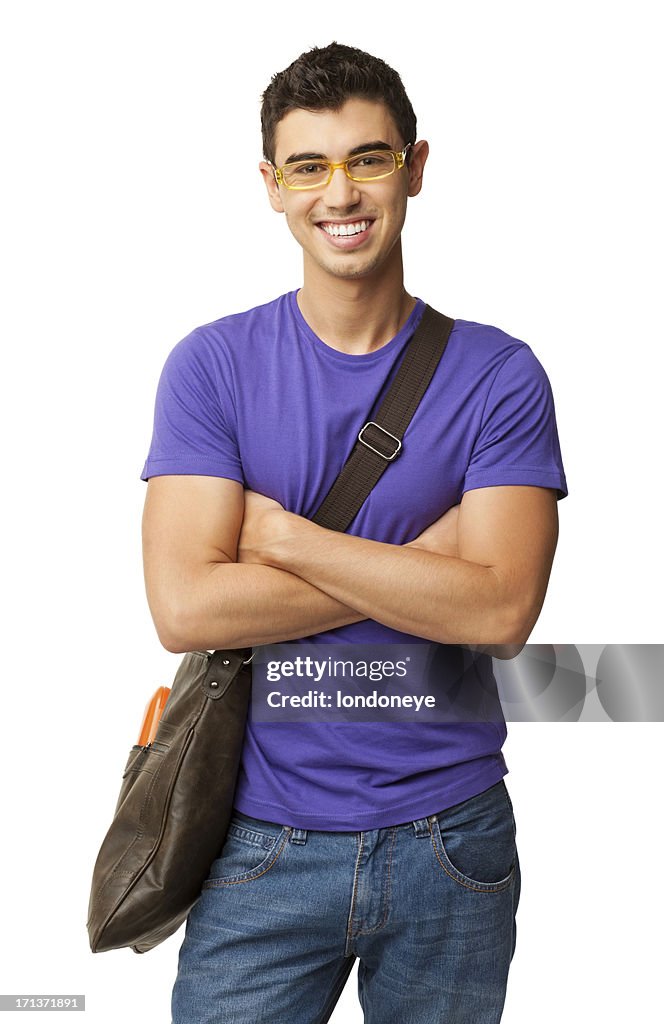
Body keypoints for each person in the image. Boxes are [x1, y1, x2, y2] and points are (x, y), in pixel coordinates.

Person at [140, 42, 567, 1024]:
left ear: (414, 168)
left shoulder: (498, 377)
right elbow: (185, 606)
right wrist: (427, 567)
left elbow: (501, 608)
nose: (341, 192)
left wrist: (282, 540)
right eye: (309, 166)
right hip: (259, 842)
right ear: (273, 188)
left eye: (368, 160)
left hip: (451, 845)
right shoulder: (212, 367)